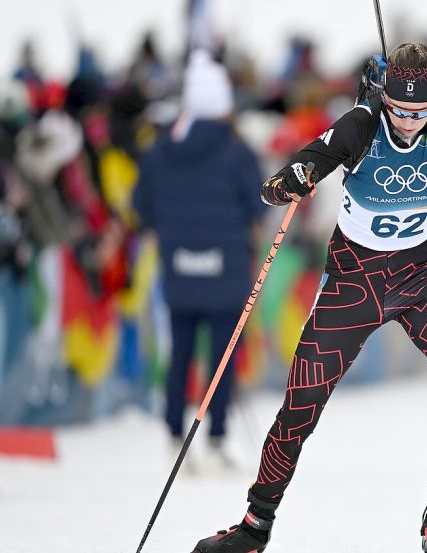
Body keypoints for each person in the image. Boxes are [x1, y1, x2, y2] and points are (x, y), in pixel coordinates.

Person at [193, 39, 427, 553]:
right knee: (301, 404)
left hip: (424, 276)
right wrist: (291, 182)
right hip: (356, 282)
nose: (408, 122)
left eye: (419, 112)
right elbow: (289, 176)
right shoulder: (362, 123)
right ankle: (253, 527)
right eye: (398, 109)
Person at [133, 50, 264, 473]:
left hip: (179, 266)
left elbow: (140, 206)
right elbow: (259, 206)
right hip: (226, 268)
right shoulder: (238, 151)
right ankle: (217, 437)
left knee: (181, 353)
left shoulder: (159, 151)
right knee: (223, 357)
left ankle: (175, 435)